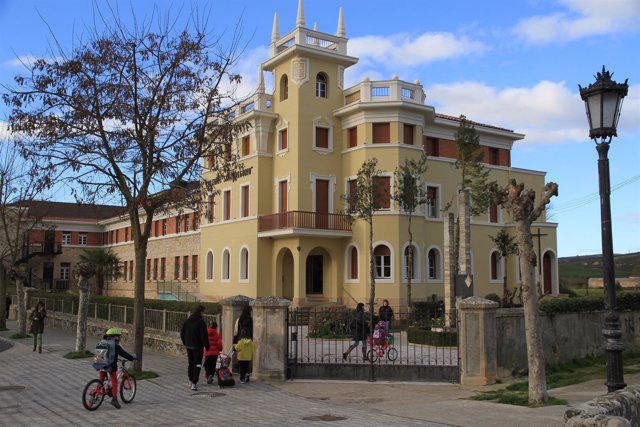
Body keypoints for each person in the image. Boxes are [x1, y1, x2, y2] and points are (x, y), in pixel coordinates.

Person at [96, 327, 136, 409]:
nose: (119, 338)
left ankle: (95, 394)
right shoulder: (115, 345)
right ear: (115, 336)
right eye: (118, 336)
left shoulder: (102, 342)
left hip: (99, 363)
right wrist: (132, 358)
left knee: (101, 380)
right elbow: (124, 354)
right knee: (114, 380)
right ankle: (114, 399)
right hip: (110, 365)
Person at [180, 304, 209, 391]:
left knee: (191, 363)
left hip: (189, 346)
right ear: (201, 312)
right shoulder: (201, 322)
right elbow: (204, 336)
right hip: (198, 347)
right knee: (198, 364)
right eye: (203, 312)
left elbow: (182, 333)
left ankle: (190, 379)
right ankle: (194, 382)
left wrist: (185, 342)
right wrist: (207, 346)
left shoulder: (188, 321)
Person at [203, 320, 223, 385]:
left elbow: (203, 342)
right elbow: (219, 344)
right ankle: (211, 375)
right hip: (215, 353)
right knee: (213, 365)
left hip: (207, 352)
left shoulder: (205, 334)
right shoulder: (217, 335)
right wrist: (220, 349)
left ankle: (208, 375)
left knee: (206, 365)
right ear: (216, 327)